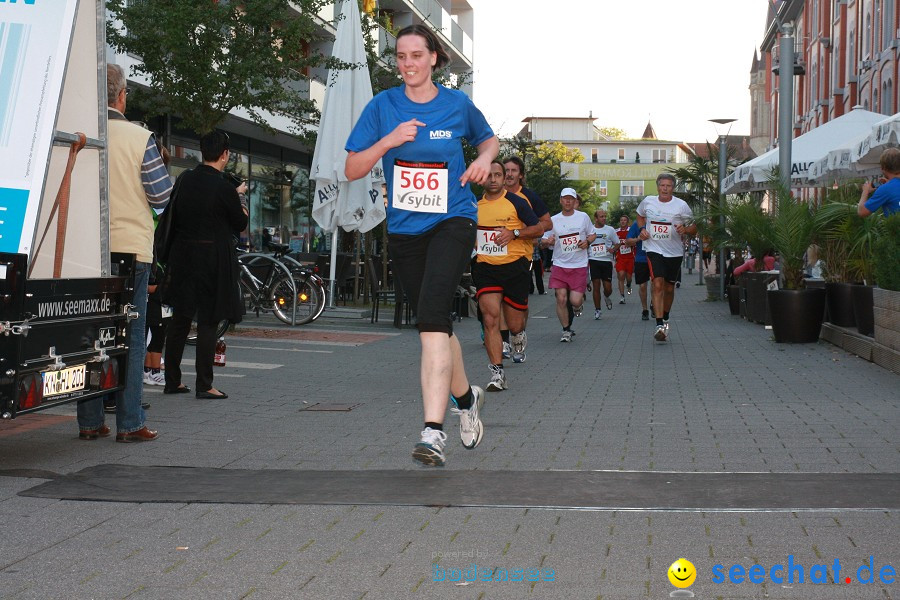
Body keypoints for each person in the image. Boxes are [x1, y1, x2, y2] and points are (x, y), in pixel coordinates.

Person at [345, 24, 499, 467]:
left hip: (453, 219)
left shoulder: (456, 104)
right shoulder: (382, 106)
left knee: (431, 320)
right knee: (436, 322)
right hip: (406, 230)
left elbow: (488, 139)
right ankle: (467, 399)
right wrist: (389, 141)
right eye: (400, 56)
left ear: (434, 57)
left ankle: (433, 432)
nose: (408, 63)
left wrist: (484, 160)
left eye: (416, 55)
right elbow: (353, 168)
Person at [77, 64, 171, 443]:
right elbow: (162, 196)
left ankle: (89, 421)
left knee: (90, 336)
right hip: (131, 249)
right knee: (131, 336)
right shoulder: (140, 138)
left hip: (85, 249)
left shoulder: (80, 135)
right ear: (121, 95)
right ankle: (130, 422)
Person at [163, 131, 249, 399]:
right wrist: (241, 197)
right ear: (225, 154)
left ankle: (172, 380)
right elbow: (240, 223)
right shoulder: (224, 187)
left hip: (183, 257)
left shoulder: (185, 179)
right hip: (212, 259)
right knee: (209, 320)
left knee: (180, 318)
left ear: (202, 152)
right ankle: (204, 384)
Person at [473, 161, 542, 391]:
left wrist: (514, 233)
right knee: (490, 318)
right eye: (488, 175)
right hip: (486, 267)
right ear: (482, 178)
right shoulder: (473, 204)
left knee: (514, 323)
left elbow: (539, 228)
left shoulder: (516, 202)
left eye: (497, 175)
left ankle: (518, 334)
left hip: (515, 267)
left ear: (504, 178)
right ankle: (497, 373)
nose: (492, 179)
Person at [502, 156, 552, 362]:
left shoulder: (529, 197)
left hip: (522, 255)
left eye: (514, 170)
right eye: (506, 170)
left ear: (521, 174)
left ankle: (518, 334)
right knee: (498, 300)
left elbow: (547, 223)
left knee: (517, 302)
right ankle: (504, 341)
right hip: (495, 256)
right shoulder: (494, 195)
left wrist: (521, 232)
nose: (509, 174)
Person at [637, 173, 697, 342]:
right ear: (658, 187)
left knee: (669, 288)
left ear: (673, 188)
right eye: (662, 185)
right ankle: (658, 324)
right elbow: (640, 215)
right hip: (653, 249)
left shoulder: (681, 206)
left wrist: (686, 230)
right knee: (657, 284)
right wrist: (642, 229)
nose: (665, 188)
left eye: (668, 186)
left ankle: (666, 316)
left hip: (674, 252)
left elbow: (694, 227)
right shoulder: (648, 201)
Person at [541, 188, 595, 342]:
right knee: (561, 298)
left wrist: (587, 242)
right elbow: (543, 240)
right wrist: (547, 241)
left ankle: (578, 306)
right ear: (561, 200)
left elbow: (592, 233)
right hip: (559, 264)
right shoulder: (553, 220)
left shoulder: (583, 217)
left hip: (579, 265)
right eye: (565, 198)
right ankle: (566, 330)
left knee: (575, 300)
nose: (568, 201)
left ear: (574, 201)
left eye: (570, 199)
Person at [588, 209, 618, 320]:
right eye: (601, 216)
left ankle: (606, 296)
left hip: (606, 261)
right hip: (594, 259)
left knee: (608, 287)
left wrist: (613, 249)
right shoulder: (590, 229)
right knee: (596, 285)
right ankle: (597, 310)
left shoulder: (610, 230)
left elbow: (618, 243)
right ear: (596, 218)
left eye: (605, 216)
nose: (604, 218)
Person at [859, 147, 900, 218]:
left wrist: (865, 191)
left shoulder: (886, 189)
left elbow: (862, 212)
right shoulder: (889, 187)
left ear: (883, 167)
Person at [625, 218, 651, 320]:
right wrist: (638, 239)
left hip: (656, 257)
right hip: (641, 259)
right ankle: (645, 309)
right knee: (643, 286)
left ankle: (654, 303)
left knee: (656, 284)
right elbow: (627, 241)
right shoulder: (636, 225)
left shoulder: (656, 222)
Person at [614, 214, 634, 304]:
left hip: (630, 257)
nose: (622, 221)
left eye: (624, 220)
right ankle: (622, 296)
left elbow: (635, 242)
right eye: (621, 220)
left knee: (629, 277)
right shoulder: (616, 232)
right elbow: (613, 243)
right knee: (621, 275)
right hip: (620, 257)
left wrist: (630, 243)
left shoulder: (631, 231)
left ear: (627, 222)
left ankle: (629, 284)